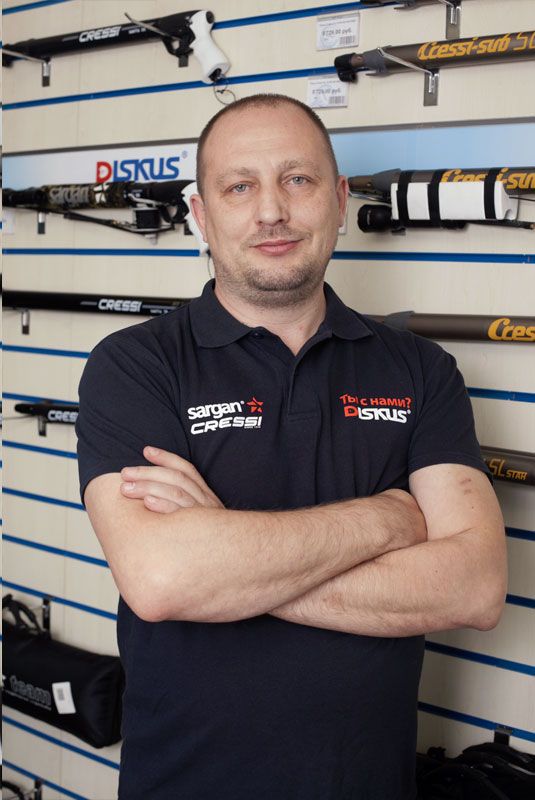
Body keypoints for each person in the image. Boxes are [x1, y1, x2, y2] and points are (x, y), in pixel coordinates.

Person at [76, 93, 507, 800]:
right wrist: (386, 520)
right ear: (201, 215)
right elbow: (162, 580)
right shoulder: (135, 366)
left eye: (297, 179)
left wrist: (225, 558)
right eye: (239, 186)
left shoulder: (421, 370)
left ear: (338, 201)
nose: (271, 210)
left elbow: (475, 588)